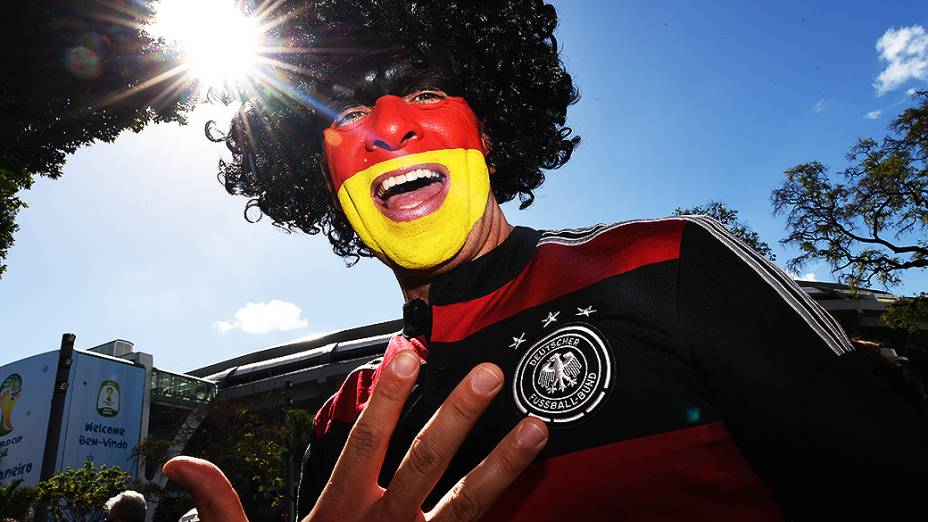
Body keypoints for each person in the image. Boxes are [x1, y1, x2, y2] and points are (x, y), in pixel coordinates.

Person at [163, 1, 928, 520]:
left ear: (488, 136)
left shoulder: (667, 267)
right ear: (320, 175)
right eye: (350, 111)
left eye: (426, 91)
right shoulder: (344, 423)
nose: (390, 127)